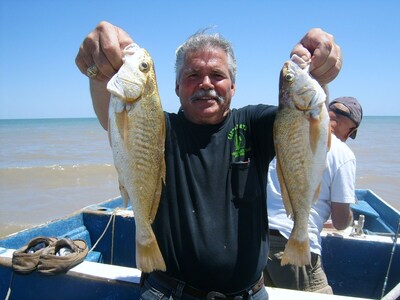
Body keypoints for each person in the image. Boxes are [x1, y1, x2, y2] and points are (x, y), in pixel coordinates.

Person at [75, 21, 342, 299]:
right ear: (177, 87)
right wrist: (98, 71)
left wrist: (318, 69)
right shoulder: (157, 129)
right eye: (193, 75)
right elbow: (113, 114)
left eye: (217, 75)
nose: (205, 84)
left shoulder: (253, 124)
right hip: (169, 292)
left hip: (250, 294)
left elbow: (303, 124)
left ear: (233, 87)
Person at [264, 97, 363, 293]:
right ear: (349, 128)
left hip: (257, 240)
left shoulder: (288, 136)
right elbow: (341, 221)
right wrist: (349, 214)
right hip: (293, 242)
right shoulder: (343, 153)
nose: (347, 137)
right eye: (351, 133)